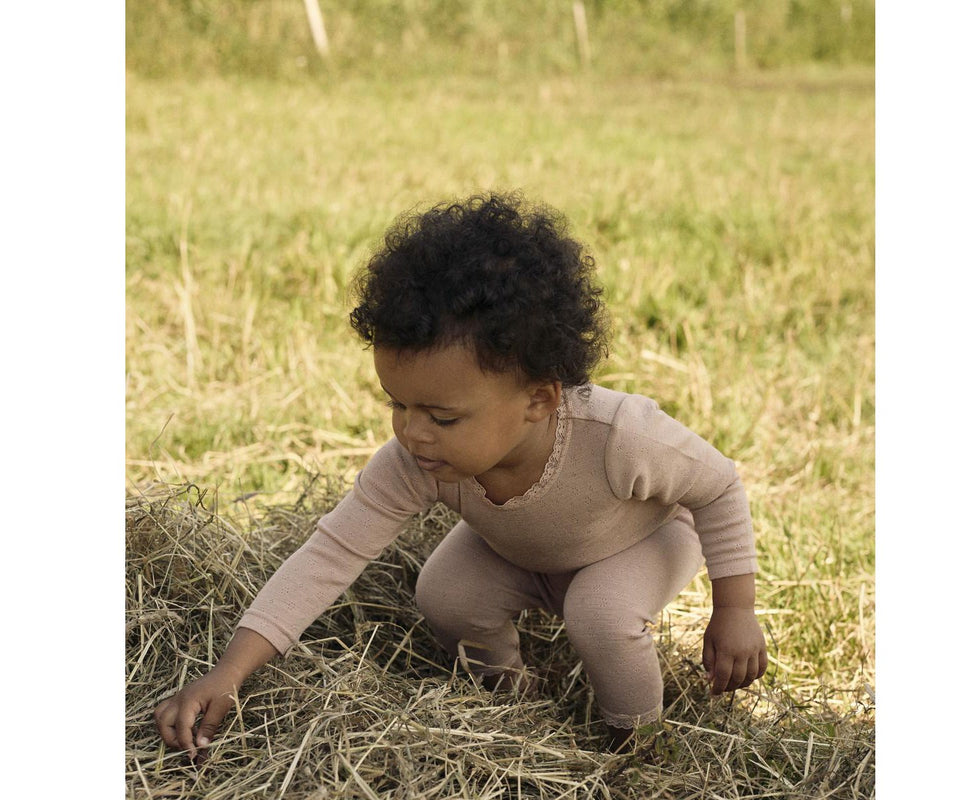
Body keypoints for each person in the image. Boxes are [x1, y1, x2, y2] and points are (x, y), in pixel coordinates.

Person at [154, 192, 767, 758]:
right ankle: (512, 702)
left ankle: (637, 745)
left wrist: (735, 609)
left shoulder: (620, 437)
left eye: (442, 417)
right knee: (446, 594)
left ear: (539, 399)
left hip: (641, 542)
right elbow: (330, 553)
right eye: (397, 404)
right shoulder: (421, 460)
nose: (412, 432)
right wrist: (229, 672)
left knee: (600, 614)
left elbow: (718, 486)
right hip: (527, 553)